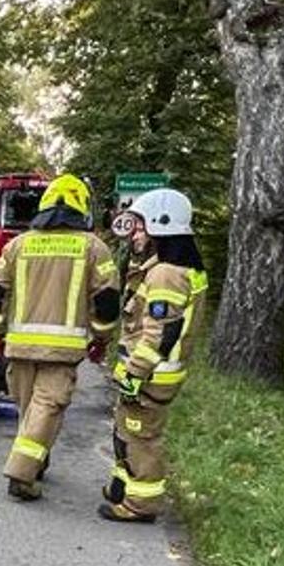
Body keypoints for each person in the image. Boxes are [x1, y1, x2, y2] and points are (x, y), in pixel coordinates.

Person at [0, 174, 120, 501]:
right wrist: (101, 337)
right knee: (46, 409)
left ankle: (35, 463)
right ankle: (21, 474)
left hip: (19, 346)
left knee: (29, 410)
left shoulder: (18, 245)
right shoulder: (94, 248)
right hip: (62, 351)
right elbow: (107, 302)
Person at [101, 188, 207, 523]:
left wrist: (134, 373)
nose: (135, 233)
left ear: (163, 227)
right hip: (151, 374)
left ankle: (140, 504)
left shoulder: (166, 273)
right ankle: (123, 487)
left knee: (141, 437)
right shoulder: (173, 268)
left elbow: (159, 333)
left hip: (150, 376)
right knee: (126, 429)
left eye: (142, 228)